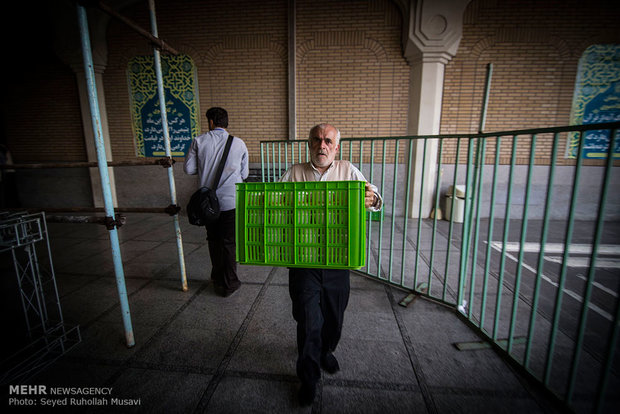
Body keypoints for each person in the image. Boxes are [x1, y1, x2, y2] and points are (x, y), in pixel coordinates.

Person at [279, 123, 382, 406]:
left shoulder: (349, 171)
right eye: (316, 141)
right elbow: (273, 201)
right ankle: (309, 376)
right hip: (303, 260)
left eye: (327, 141)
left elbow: (373, 198)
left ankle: (326, 350)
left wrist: (372, 199)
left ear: (336, 147)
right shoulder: (294, 172)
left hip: (338, 260)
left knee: (334, 319)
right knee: (309, 320)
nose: (321, 146)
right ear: (309, 144)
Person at [184, 107, 249, 297]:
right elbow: (244, 174)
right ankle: (230, 284)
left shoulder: (199, 140)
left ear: (211, 122)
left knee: (213, 240)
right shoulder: (238, 143)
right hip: (231, 202)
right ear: (226, 122)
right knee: (228, 242)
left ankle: (217, 278)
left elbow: (188, 169)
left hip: (208, 204)